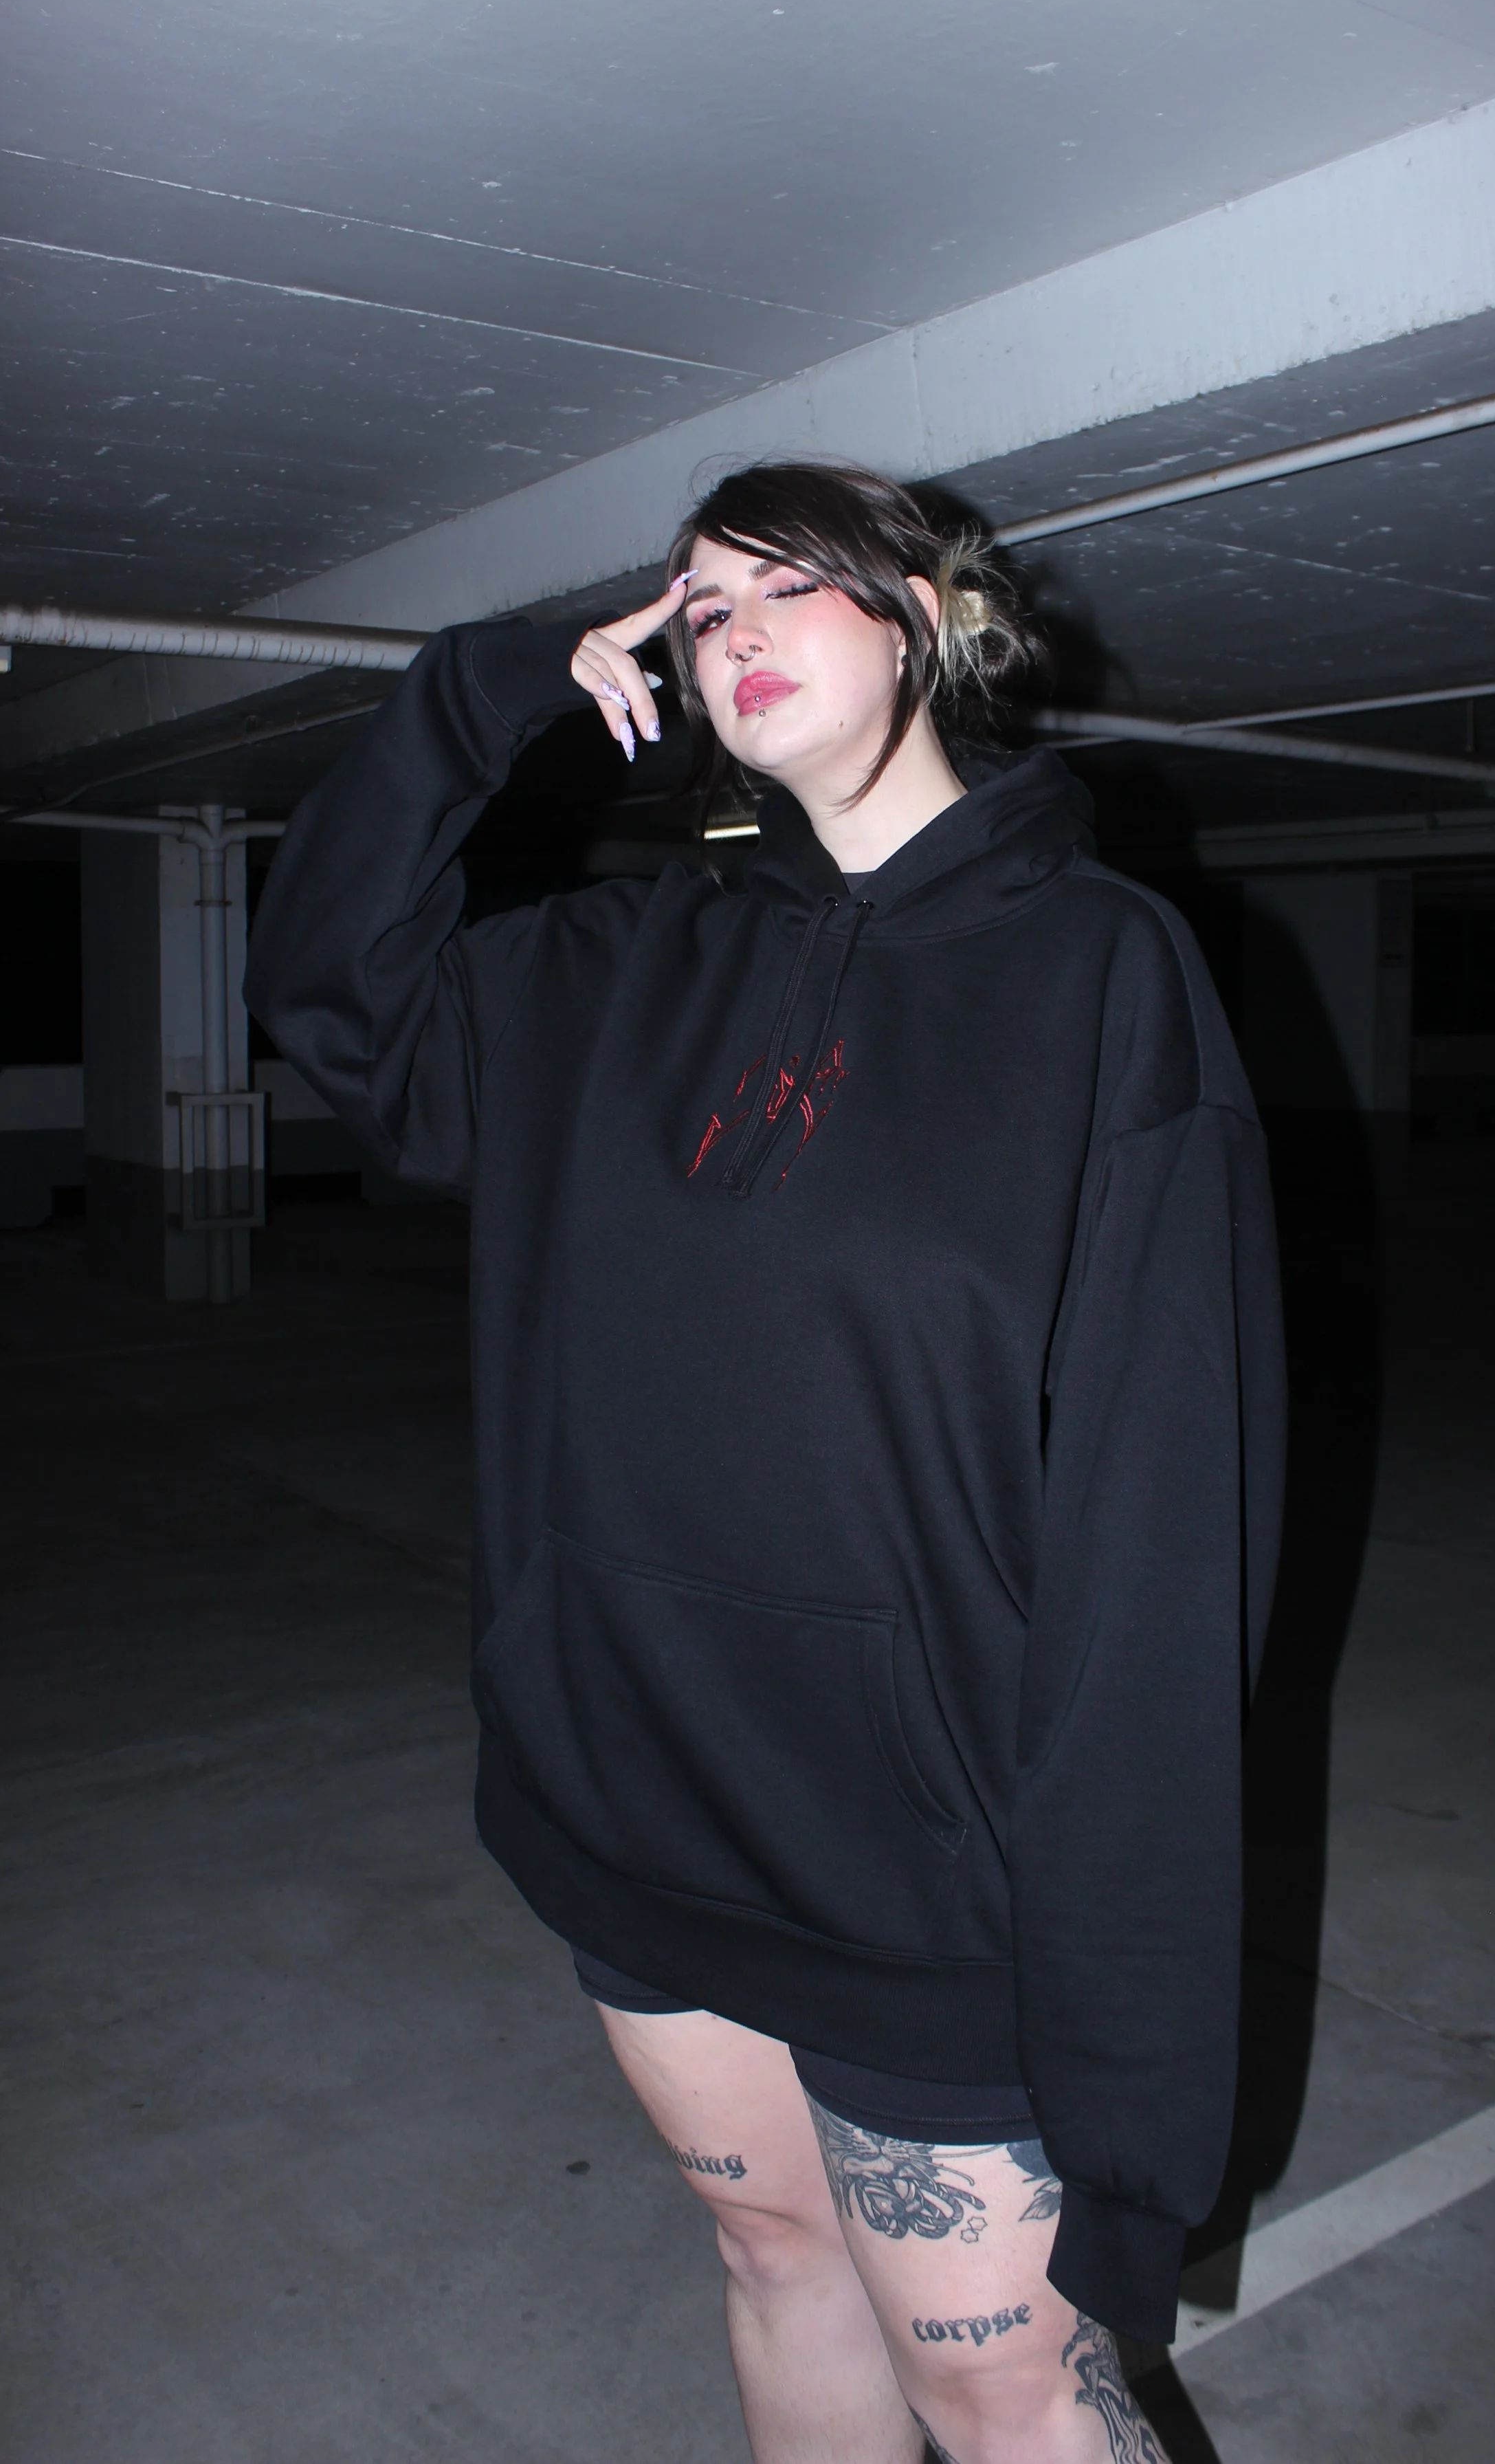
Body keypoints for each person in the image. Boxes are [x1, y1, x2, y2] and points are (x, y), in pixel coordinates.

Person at [247, 460, 1285, 2464]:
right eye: (698, 603)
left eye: (784, 582)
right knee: (773, 2259)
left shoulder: (1098, 973)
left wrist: (1116, 1930)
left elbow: (1164, 1495)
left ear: (924, 616)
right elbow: (331, 995)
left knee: (1003, 2383)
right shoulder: (612, 973)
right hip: (635, 1796)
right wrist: (481, 695)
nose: (729, 630)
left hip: (927, 1858)